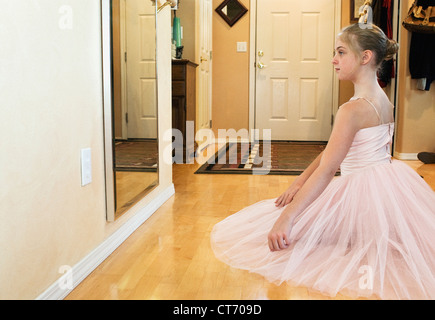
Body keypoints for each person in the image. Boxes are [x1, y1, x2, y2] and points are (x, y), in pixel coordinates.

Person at [210, 23, 435, 300]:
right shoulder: (383, 99)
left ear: (365, 57)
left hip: (361, 190)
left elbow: (329, 168)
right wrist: (299, 182)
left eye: (341, 52)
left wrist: (287, 217)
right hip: (385, 181)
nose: (333, 59)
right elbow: (334, 150)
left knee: (294, 238)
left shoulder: (351, 110)